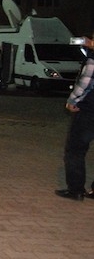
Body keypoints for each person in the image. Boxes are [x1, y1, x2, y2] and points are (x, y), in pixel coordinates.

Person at [56, 36, 94, 201]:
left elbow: (85, 82)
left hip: (89, 110)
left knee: (75, 150)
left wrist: (72, 100)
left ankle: (76, 189)